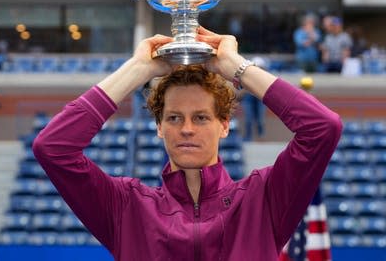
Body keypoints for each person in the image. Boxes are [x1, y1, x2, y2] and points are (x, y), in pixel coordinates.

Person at [33, 28, 342, 260]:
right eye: (175, 118)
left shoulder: (263, 200)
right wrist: (138, 70)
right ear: (159, 128)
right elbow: (53, 147)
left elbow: (323, 128)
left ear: (224, 125)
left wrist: (235, 66)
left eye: (201, 118)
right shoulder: (126, 207)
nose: (187, 130)